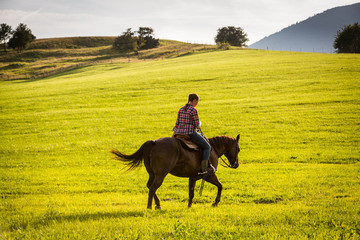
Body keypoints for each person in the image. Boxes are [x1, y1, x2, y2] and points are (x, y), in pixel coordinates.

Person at [173, 93, 213, 175]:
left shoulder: (181, 109)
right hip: (189, 133)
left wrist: (174, 134)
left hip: (178, 132)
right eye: (197, 102)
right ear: (194, 100)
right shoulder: (193, 110)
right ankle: (204, 168)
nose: (197, 104)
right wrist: (200, 124)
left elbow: (177, 123)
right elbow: (196, 125)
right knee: (207, 147)